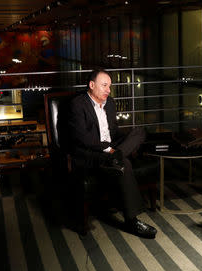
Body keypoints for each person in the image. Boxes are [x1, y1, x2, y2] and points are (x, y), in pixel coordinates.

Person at [67, 69, 157, 239]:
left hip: (111, 149)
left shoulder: (110, 103)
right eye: (104, 85)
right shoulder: (78, 104)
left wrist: (120, 146)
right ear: (92, 85)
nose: (108, 90)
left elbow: (113, 131)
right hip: (92, 153)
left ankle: (118, 156)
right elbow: (83, 138)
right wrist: (108, 149)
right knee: (125, 163)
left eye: (110, 86)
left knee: (139, 132)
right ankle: (132, 221)